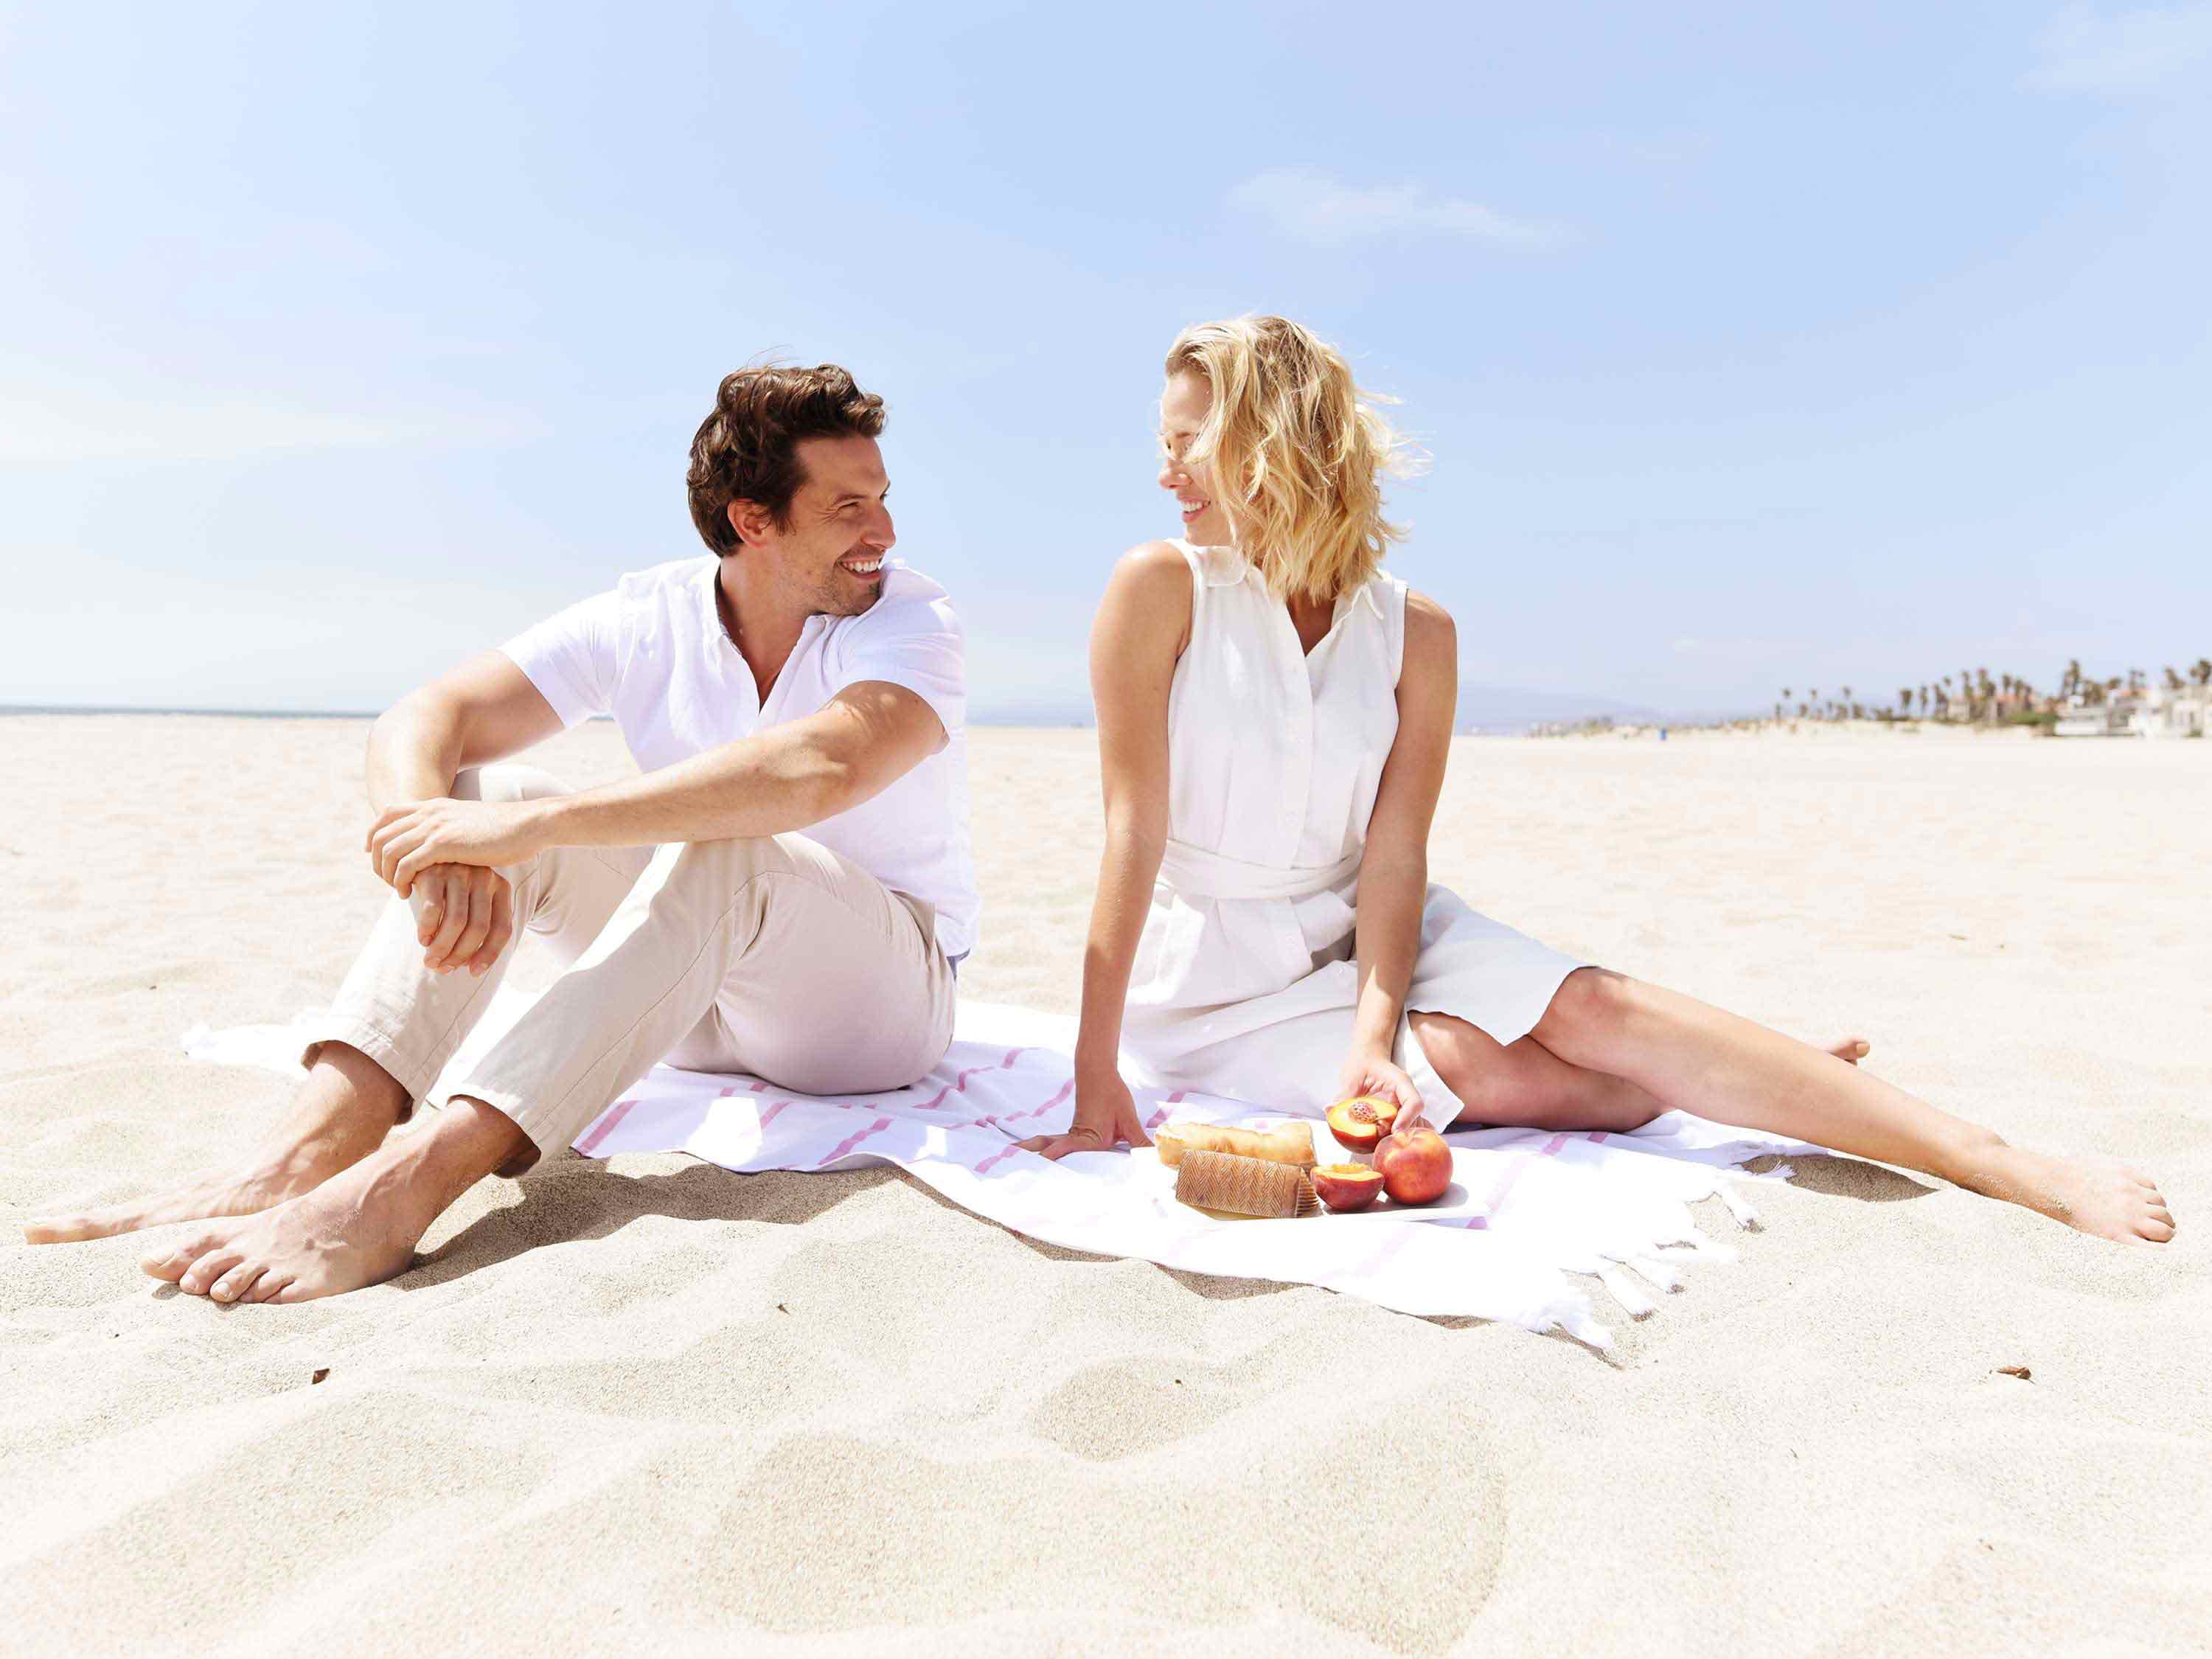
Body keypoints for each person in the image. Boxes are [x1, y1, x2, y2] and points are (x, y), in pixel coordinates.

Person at [1023, 314, 2174, 1248]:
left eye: (1187, 438)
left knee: (1596, 1007)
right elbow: (1132, 833)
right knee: (1499, 1065)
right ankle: (1738, 1077)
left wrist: (1372, 1033)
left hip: (1371, 920)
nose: (1163, 466)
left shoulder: (1414, 631)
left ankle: (1997, 1160)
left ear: (1270, 444)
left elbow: (1393, 855)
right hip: (1221, 982)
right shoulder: (1158, 589)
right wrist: (1093, 1078)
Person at [27, 364, 978, 1298]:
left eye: (884, 499)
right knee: (488, 791)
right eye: (850, 506)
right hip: (692, 1001)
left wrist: (530, 827)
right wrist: (436, 847)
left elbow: (823, 767)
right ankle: (308, 1148)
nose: (885, 533)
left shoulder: (910, 619)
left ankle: (407, 1186)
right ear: (753, 519)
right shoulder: (650, 615)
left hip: (873, 1009)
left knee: (684, 836)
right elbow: (429, 715)